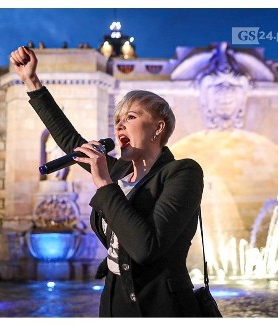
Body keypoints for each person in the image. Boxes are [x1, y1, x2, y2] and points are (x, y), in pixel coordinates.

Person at [10, 46, 204, 317]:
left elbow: (146, 248)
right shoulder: (121, 172)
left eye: (131, 117)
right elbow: (71, 141)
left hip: (158, 306)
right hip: (114, 300)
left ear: (158, 128)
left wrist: (103, 182)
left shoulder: (183, 173)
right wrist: (31, 81)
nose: (120, 125)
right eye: (118, 120)